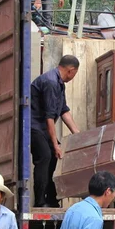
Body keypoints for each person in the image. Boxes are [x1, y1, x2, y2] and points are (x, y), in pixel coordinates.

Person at [30, 55, 81, 208]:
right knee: (45, 156)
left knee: (56, 158)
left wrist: (77, 134)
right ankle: (40, 201)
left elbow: (63, 111)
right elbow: (49, 117)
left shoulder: (59, 84)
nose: (73, 77)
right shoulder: (51, 82)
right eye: (75, 74)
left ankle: (52, 199)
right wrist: (55, 145)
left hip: (44, 127)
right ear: (71, 71)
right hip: (34, 127)